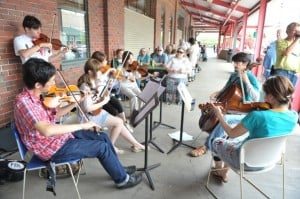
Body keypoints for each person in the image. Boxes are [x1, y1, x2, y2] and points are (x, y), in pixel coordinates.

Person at [14, 58, 142, 189]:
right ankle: (122, 180)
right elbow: (47, 130)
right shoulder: (24, 103)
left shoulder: (39, 96)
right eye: (51, 80)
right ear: (37, 85)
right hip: (50, 149)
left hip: (59, 139)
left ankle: (118, 169)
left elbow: (56, 114)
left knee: (101, 136)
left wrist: (75, 102)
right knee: (101, 147)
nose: (54, 83)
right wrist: (83, 125)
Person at [205, 76, 298, 182]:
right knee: (234, 142)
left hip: (244, 161)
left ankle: (219, 170)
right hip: (270, 160)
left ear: (272, 97)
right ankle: (224, 171)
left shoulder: (257, 116)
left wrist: (220, 115)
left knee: (216, 141)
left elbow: (231, 133)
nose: (264, 98)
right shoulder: (294, 116)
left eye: (265, 94)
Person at [190, 52, 261, 157]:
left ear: (245, 64)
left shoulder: (251, 78)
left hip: (242, 111)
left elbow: (256, 97)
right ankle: (215, 138)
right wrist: (218, 93)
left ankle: (206, 147)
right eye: (234, 62)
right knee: (213, 113)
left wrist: (246, 82)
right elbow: (226, 89)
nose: (235, 65)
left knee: (223, 118)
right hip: (230, 105)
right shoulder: (234, 75)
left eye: (237, 63)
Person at [77, 58, 145, 153]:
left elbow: (97, 97)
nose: (101, 74)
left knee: (119, 122)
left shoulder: (94, 82)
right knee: (118, 122)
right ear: (90, 72)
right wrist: (104, 102)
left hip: (96, 112)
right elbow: (87, 108)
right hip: (88, 118)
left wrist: (106, 91)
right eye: (99, 71)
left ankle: (135, 143)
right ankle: (111, 146)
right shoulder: (85, 86)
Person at [91, 51, 133, 133]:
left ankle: (124, 122)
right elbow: (99, 81)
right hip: (97, 97)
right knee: (113, 111)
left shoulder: (105, 70)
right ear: (98, 62)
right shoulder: (94, 71)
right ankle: (115, 124)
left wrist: (110, 82)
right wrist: (108, 72)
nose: (107, 62)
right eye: (105, 60)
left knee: (117, 103)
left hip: (105, 93)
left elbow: (108, 83)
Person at [119, 51, 142, 115]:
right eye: (130, 59)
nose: (132, 60)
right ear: (126, 60)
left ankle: (140, 112)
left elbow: (138, 77)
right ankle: (133, 115)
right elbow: (119, 79)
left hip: (133, 85)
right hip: (124, 86)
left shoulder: (133, 67)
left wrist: (137, 71)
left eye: (132, 58)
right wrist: (127, 77)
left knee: (142, 96)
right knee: (134, 97)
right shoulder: (120, 68)